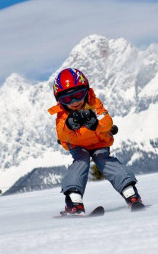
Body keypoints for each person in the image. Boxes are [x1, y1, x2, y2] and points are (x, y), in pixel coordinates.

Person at [48, 68, 144, 215]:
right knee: (81, 162)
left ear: (86, 91)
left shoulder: (93, 103)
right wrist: (68, 126)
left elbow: (107, 121)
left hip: (99, 142)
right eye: (67, 99)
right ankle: (74, 202)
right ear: (59, 101)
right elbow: (61, 135)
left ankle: (131, 194)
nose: (74, 102)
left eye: (78, 95)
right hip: (79, 146)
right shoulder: (62, 115)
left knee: (104, 160)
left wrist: (96, 124)